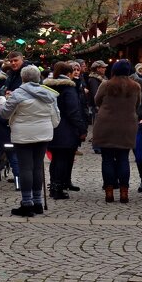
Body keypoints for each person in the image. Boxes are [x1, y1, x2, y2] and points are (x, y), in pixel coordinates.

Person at [0, 65, 60, 217]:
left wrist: (0, 100)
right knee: (38, 166)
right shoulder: (49, 94)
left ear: (23, 78)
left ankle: (27, 203)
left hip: (23, 135)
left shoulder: (18, 94)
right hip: (43, 133)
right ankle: (38, 202)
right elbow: (56, 118)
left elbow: (5, 114)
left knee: (25, 167)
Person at [92, 58, 142, 203]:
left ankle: (109, 192)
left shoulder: (106, 85)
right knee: (123, 158)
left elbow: (97, 100)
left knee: (107, 158)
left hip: (106, 124)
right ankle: (124, 192)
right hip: (127, 125)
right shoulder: (136, 86)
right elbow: (138, 104)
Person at [45, 62, 88, 200]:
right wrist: (82, 128)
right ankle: (57, 188)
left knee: (56, 158)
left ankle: (55, 185)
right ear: (68, 74)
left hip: (52, 126)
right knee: (62, 158)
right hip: (66, 128)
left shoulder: (48, 86)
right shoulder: (68, 89)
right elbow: (73, 111)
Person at [0, 53, 25, 184]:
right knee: (3, 153)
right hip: (5, 120)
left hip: (15, 119)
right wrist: (3, 95)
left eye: (16, 60)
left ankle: (17, 179)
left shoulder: (24, 74)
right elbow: (2, 92)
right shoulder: (11, 75)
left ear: (22, 60)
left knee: (9, 154)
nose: (13, 63)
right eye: (11, 61)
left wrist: (11, 95)